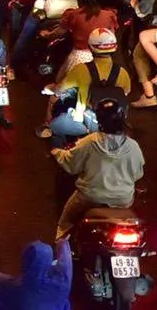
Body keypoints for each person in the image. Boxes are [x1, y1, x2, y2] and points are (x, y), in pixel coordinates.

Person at [53, 99, 144, 240]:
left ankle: (61, 252)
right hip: (123, 200)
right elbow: (138, 174)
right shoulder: (133, 146)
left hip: (90, 198)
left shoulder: (90, 141)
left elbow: (70, 164)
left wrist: (56, 152)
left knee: (65, 223)